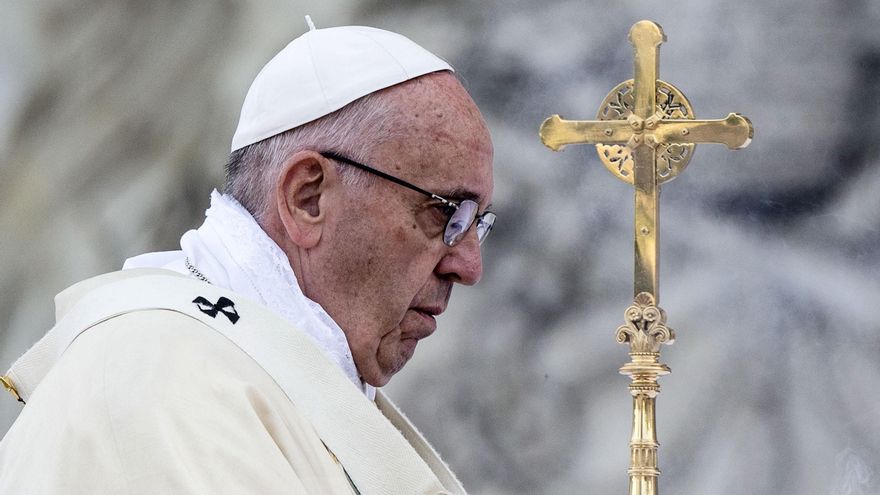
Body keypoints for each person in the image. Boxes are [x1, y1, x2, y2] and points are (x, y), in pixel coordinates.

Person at [0, 21, 494, 495]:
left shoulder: (249, 376)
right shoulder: (163, 378)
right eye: (447, 213)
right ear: (308, 198)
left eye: (479, 224)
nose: (469, 266)